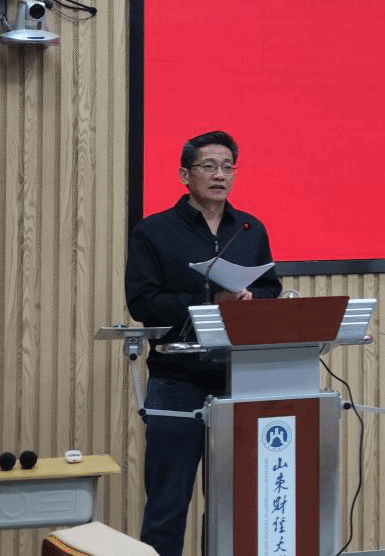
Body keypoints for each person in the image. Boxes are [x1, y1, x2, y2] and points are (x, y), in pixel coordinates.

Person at [124, 130, 281, 556]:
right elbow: (142, 301)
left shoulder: (249, 229)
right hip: (177, 380)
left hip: (238, 380)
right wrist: (210, 303)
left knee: (233, 504)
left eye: (228, 167)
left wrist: (251, 298)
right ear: (185, 175)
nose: (220, 175)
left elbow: (271, 288)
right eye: (209, 166)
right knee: (167, 505)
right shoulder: (154, 231)